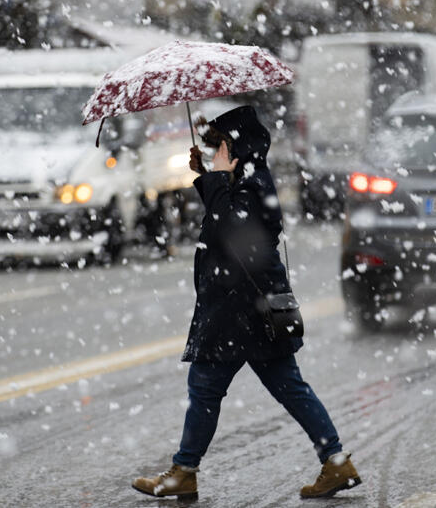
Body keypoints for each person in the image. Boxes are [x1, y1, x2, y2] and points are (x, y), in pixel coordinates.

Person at [132, 105, 360, 501]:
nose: (215, 152)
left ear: (236, 146)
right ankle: (336, 462)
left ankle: (184, 471)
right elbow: (228, 218)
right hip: (249, 308)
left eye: (219, 145)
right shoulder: (249, 178)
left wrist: (217, 178)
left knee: (205, 388)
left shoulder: (254, 183)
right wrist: (208, 176)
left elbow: (230, 229)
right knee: (287, 387)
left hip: (239, 311)